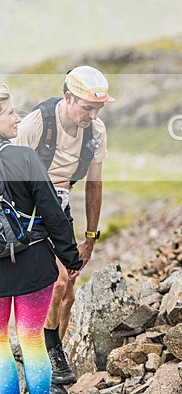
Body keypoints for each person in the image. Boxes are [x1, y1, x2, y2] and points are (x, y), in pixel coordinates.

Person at [14, 66, 112, 386]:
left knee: (67, 294)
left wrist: (91, 237)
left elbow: (94, 184)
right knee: (56, 283)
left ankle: (53, 366)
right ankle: (48, 356)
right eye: (87, 107)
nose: (93, 114)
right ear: (68, 98)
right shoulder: (36, 124)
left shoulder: (96, 132)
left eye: (98, 108)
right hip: (27, 210)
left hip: (60, 209)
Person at [0, 82, 83, 394]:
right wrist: (71, 257)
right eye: (10, 113)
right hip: (33, 263)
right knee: (32, 340)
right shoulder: (24, 157)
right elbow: (52, 211)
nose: (19, 119)